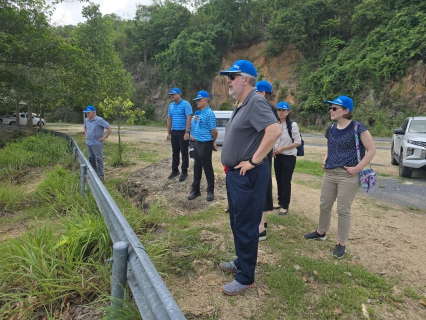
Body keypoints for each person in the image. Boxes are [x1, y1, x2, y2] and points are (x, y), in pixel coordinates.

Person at [218, 60, 281, 296]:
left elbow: (274, 130)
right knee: (237, 221)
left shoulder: (255, 101)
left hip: (248, 174)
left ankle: (245, 277)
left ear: (246, 79)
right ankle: (241, 261)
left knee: (245, 223)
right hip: (236, 174)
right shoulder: (241, 103)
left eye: (232, 76)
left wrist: (254, 160)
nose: (228, 80)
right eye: (228, 77)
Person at [304, 95, 376, 258]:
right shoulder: (330, 129)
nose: (331, 110)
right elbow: (331, 147)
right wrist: (325, 157)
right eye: (331, 107)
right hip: (329, 173)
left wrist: (357, 168)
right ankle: (321, 232)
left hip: (348, 175)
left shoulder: (358, 127)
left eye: (334, 108)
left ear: (346, 111)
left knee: (343, 209)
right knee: (324, 204)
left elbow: (371, 150)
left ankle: (341, 243)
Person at [254, 80, 279, 241]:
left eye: (256, 92)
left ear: (262, 93)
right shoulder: (272, 109)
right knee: (264, 184)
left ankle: (260, 226)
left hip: (261, 152)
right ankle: (263, 221)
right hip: (266, 151)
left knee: (260, 187)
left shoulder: (263, 108)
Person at [187, 90, 218, 201]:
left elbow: (214, 131)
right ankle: (195, 190)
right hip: (198, 143)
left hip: (205, 143)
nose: (197, 102)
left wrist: (212, 142)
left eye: (199, 100)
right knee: (197, 167)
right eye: (197, 100)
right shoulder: (199, 113)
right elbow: (196, 128)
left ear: (206, 100)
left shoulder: (209, 113)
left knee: (207, 168)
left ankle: (210, 191)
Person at [273, 101, 301, 215]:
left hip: (289, 157)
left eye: (283, 110)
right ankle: (280, 201)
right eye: (279, 110)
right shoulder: (275, 124)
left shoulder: (292, 125)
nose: (281, 112)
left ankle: (285, 205)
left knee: (286, 181)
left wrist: (283, 148)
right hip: (277, 156)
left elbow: (298, 142)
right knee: (278, 180)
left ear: (288, 112)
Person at [166, 87, 192, 182]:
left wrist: (187, 132)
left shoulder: (186, 104)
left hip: (182, 132)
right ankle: (175, 170)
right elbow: (169, 119)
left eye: (173, 94)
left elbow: (189, 118)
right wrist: (168, 132)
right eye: (171, 95)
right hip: (174, 131)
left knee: (184, 152)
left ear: (178, 94)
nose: (172, 96)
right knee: (175, 152)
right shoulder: (171, 106)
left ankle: (184, 171)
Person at [83, 105, 112, 181]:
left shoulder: (99, 120)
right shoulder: (86, 120)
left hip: (97, 143)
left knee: (99, 159)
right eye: (86, 113)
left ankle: (101, 175)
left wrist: (105, 137)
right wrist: (86, 136)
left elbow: (109, 127)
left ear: (93, 112)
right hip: (89, 143)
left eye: (88, 113)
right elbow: (85, 128)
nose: (87, 114)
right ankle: (93, 174)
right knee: (91, 158)